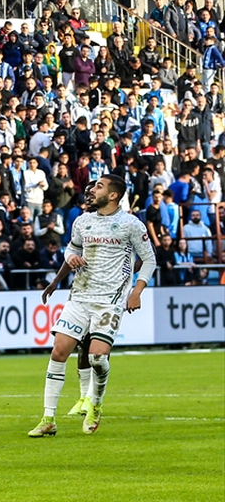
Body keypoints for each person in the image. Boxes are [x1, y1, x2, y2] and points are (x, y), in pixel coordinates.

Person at [29, 175, 155, 438]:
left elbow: (149, 259)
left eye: (99, 186)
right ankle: (48, 418)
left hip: (110, 300)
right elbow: (71, 250)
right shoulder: (82, 221)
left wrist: (137, 290)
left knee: (97, 357)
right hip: (80, 296)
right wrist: (65, 267)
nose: (91, 190)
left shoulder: (130, 224)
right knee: (59, 351)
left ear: (113, 195)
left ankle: (95, 404)